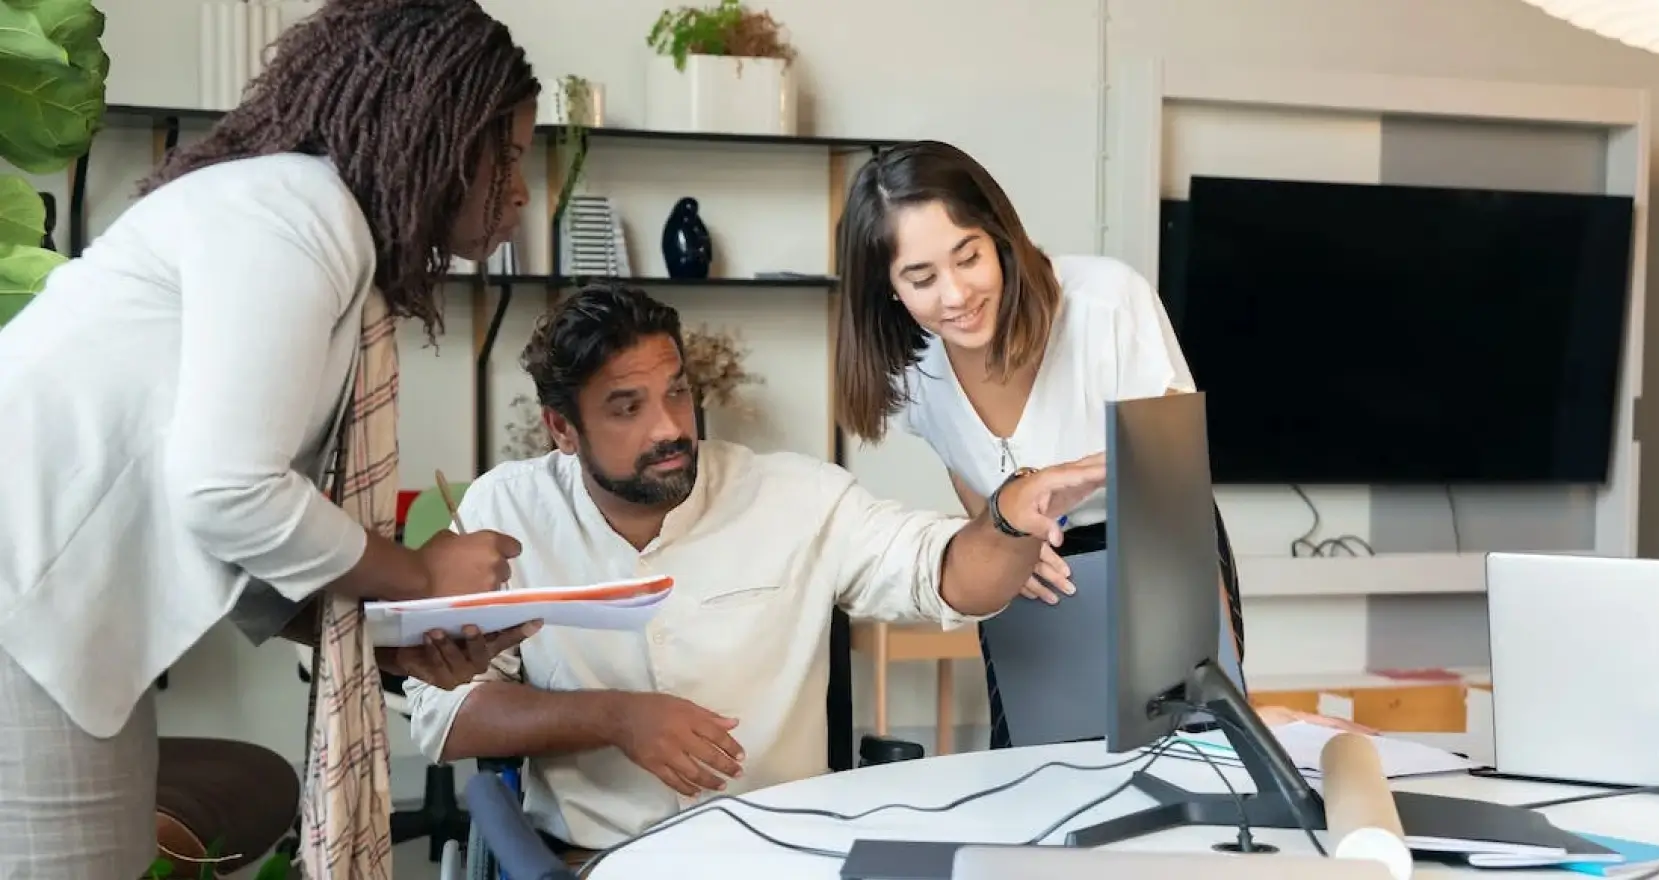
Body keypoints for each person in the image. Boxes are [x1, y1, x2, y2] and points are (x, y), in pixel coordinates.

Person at [0, 2, 545, 877]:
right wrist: (417, 571)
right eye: (506, 153)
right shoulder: (298, 212)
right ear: (432, 129)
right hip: (22, 624)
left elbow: (232, 519)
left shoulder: (291, 216)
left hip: (49, 627)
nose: (520, 189)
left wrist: (381, 631)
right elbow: (226, 491)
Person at [403, 280, 1106, 865]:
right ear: (561, 429)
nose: (669, 428)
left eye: (677, 392)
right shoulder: (506, 508)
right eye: (627, 407)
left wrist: (1010, 515)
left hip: (785, 856)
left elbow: (946, 573)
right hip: (597, 860)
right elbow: (447, 716)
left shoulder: (793, 495)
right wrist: (614, 717)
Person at [833, 139, 1366, 748]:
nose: (955, 295)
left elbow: (1173, 485)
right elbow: (966, 465)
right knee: (1031, 763)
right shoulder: (913, 366)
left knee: (1191, 745)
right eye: (922, 277)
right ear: (888, 287)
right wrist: (1001, 538)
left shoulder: (1104, 302)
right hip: (1031, 569)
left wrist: (1223, 679)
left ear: (998, 234)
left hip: (1149, 544)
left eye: (969, 257)